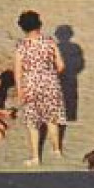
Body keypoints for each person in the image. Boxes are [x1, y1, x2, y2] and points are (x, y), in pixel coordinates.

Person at [14, 10, 67, 165]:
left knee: (33, 123)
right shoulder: (49, 41)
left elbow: (18, 71)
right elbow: (61, 65)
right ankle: (57, 149)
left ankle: (36, 157)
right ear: (39, 24)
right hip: (50, 83)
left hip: (31, 84)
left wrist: (20, 90)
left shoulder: (21, 46)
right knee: (52, 119)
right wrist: (50, 74)